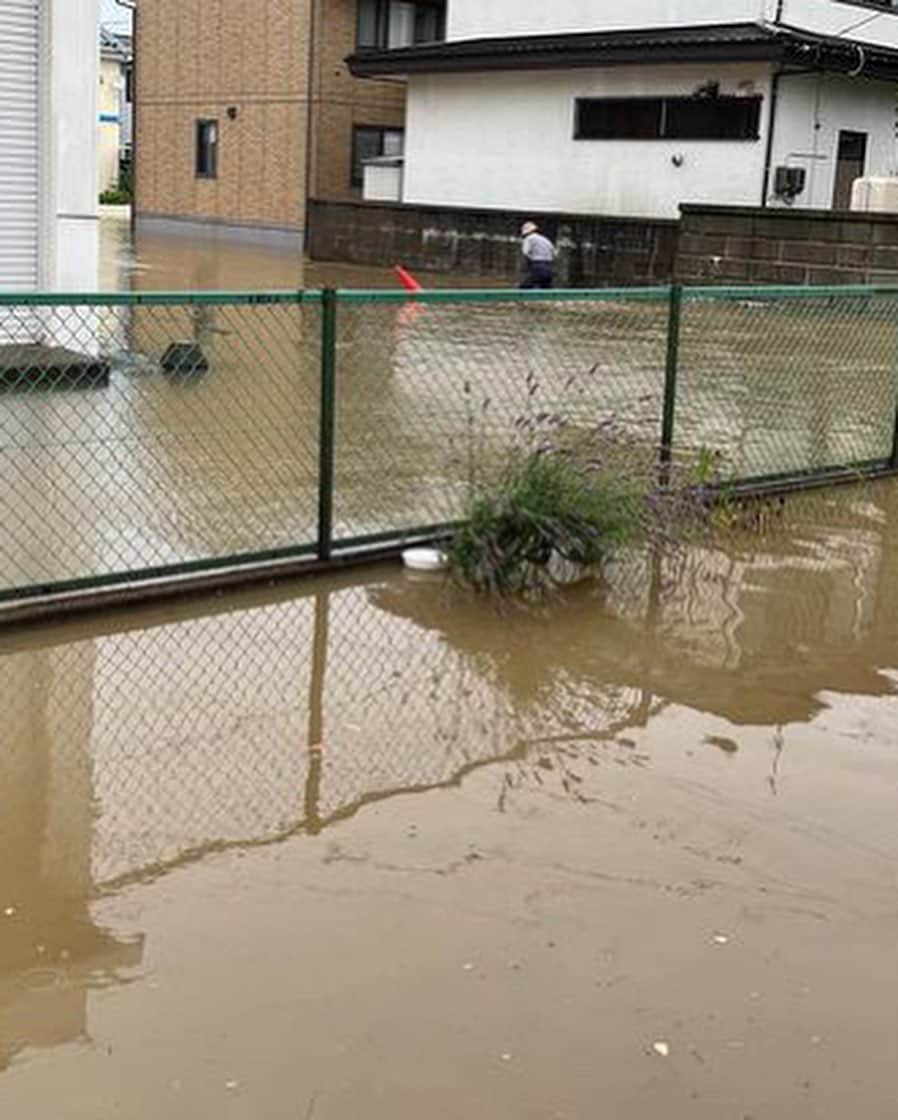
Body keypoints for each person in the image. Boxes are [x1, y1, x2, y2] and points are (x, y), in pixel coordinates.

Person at [519, 221, 556, 289]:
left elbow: (525, 253)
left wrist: (528, 263)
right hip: (549, 267)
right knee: (546, 289)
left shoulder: (529, 238)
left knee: (525, 288)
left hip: (538, 265)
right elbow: (554, 253)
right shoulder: (545, 240)